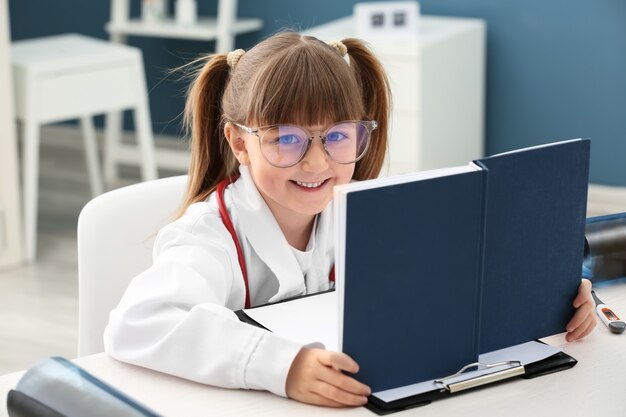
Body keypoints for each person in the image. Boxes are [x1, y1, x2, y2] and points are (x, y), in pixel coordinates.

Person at [104, 32, 596, 408]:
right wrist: (284, 366)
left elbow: (455, 277)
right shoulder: (206, 237)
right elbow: (138, 322)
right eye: (286, 139)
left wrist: (552, 295)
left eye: (338, 137)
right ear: (238, 142)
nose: (317, 164)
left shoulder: (368, 208)